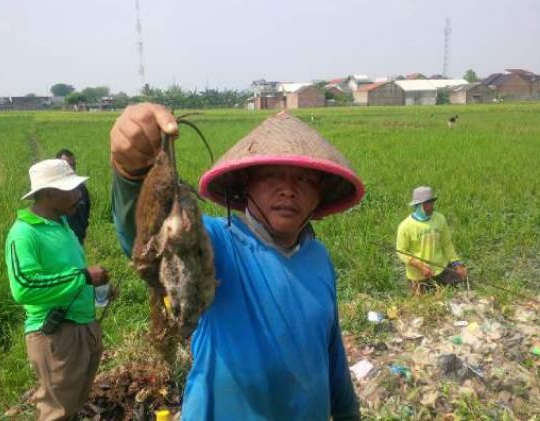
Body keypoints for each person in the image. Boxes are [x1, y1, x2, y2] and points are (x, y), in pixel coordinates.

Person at [110, 103, 364, 420]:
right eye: (272, 176)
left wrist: (347, 411)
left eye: (305, 180)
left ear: (320, 195)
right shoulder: (217, 242)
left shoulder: (318, 258)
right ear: (245, 185)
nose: (288, 190)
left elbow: (330, 349)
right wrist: (130, 175)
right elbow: (149, 239)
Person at [4, 159, 110, 420]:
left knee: (72, 407)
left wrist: (96, 290)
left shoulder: (64, 227)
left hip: (83, 328)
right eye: (71, 190)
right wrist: (83, 276)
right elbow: (24, 286)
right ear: (50, 193)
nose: (78, 196)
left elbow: (68, 277)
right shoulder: (24, 233)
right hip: (57, 336)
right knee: (56, 413)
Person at [396, 186, 468, 295]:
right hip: (418, 275)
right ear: (418, 205)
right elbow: (401, 251)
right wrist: (420, 265)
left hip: (440, 268)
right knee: (421, 305)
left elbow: (447, 244)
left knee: (457, 288)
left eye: (431, 202)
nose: (431, 206)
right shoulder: (406, 226)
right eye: (427, 203)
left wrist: (457, 264)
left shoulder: (439, 219)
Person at [56, 149, 91, 246]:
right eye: (68, 166)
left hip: (78, 240)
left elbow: (86, 211)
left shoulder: (81, 188)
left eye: (74, 165)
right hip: (58, 242)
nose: (72, 169)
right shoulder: (52, 191)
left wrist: (81, 231)